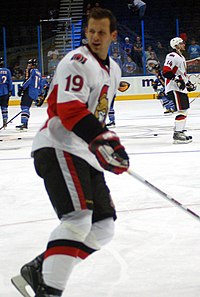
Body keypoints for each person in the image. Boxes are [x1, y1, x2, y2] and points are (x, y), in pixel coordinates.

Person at [11, 7, 129, 297]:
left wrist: (105, 146)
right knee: (77, 220)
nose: (96, 37)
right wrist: (103, 139)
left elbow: (97, 114)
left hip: (84, 152)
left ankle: (40, 268)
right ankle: (49, 290)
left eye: (102, 32)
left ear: (113, 35)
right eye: (91, 31)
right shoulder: (77, 60)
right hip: (59, 145)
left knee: (103, 228)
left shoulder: (113, 69)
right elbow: (69, 109)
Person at [163, 37, 196, 144]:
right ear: (176, 45)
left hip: (180, 88)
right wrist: (177, 79)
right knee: (182, 110)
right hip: (174, 87)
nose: (183, 44)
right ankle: (177, 134)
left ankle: (180, 131)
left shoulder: (180, 57)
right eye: (181, 43)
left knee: (184, 109)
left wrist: (188, 84)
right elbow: (166, 72)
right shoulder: (172, 56)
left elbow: (181, 74)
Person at [16, 58, 42, 130]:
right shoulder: (39, 72)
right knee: (26, 107)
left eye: (29, 63)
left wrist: (22, 88)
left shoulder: (32, 71)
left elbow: (28, 80)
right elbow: (41, 84)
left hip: (29, 91)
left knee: (24, 106)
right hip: (35, 92)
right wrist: (38, 93)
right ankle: (25, 123)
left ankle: (24, 123)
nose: (28, 65)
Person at [0, 57, 13, 128]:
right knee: (4, 107)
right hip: (5, 91)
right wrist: (10, 90)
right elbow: (10, 82)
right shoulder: (7, 71)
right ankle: (5, 119)